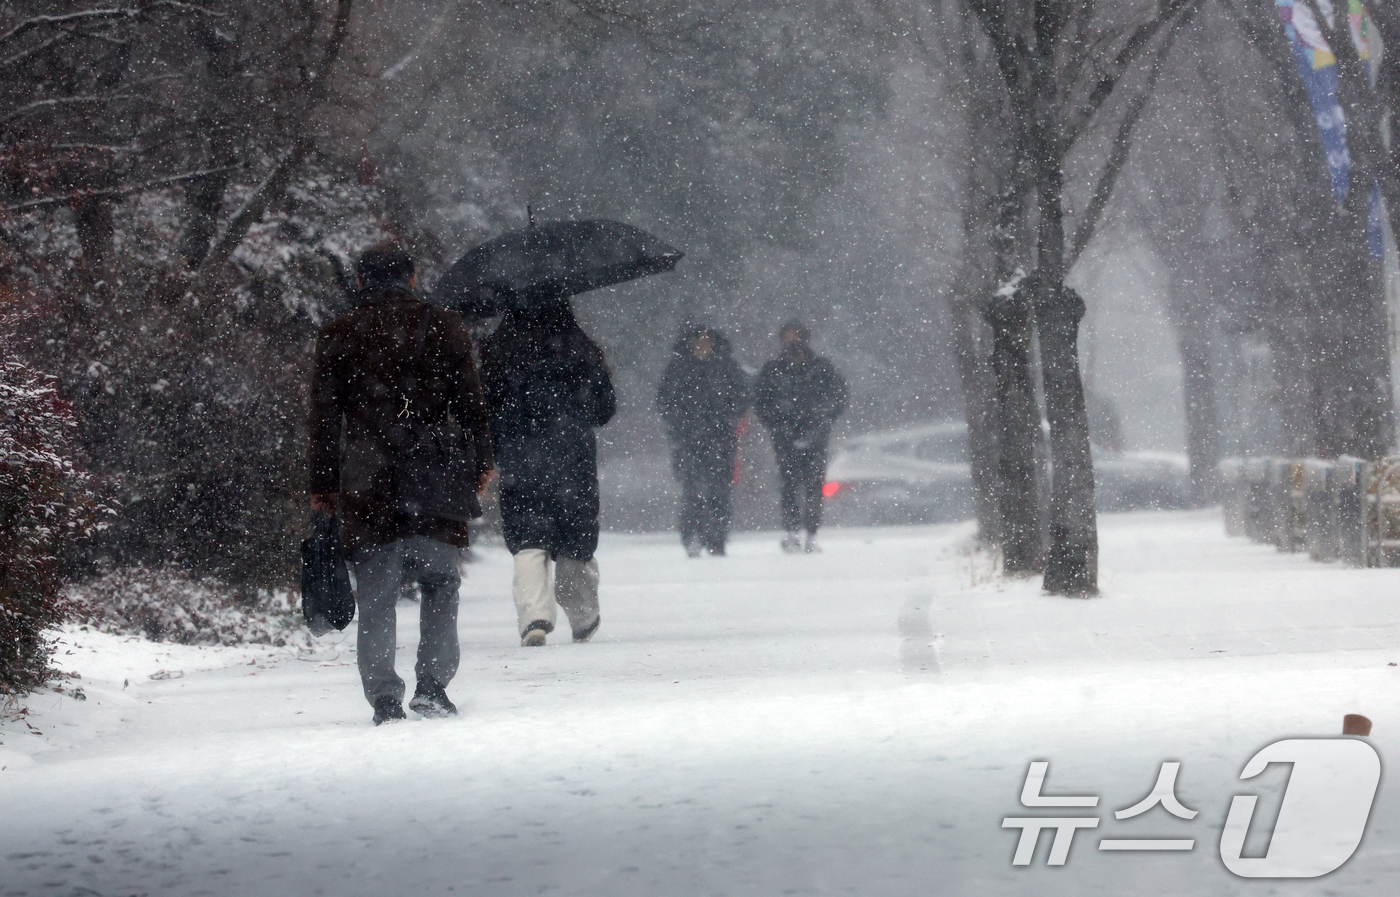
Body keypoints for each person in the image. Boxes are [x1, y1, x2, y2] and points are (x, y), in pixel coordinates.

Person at [308, 242, 495, 725]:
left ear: (360, 282)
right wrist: (481, 461)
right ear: (412, 278)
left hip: (368, 477)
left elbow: (325, 419)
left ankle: (385, 699)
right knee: (440, 582)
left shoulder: (338, 334)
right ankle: (432, 686)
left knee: (376, 593)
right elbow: (471, 402)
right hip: (434, 470)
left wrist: (324, 484)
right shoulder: (444, 326)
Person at [480, 298, 616, 647]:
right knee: (576, 540)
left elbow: (486, 411)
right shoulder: (580, 349)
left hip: (520, 460)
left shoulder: (499, 353)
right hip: (572, 459)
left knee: (528, 540)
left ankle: (534, 616)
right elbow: (604, 410)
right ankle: (583, 614)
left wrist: (496, 445)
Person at [753, 319, 848, 553]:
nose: (793, 342)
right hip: (784, 438)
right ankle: (792, 532)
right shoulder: (772, 370)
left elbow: (839, 397)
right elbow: (761, 402)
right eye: (788, 337)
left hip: (816, 436)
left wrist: (823, 419)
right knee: (789, 486)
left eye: (796, 336)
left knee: (814, 486)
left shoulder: (822, 367)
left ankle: (811, 534)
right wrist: (777, 424)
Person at [656, 327, 749, 556]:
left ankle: (717, 538)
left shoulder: (727, 367)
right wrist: (681, 425)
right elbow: (665, 401)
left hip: (721, 439)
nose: (702, 347)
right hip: (688, 440)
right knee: (692, 490)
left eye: (706, 342)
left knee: (720, 491)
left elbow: (742, 397)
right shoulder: (678, 369)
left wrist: (725, 418)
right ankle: (692, 536)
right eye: (698, 342)